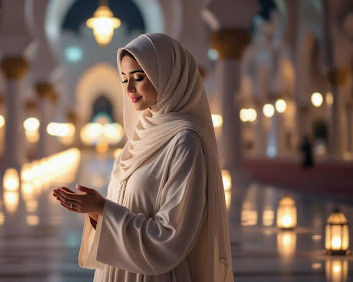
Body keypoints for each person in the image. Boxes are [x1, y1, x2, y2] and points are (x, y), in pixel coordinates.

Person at [52, 33, 233, 282]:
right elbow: (128, 206)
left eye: (139, 77)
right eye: (124, 79)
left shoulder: (185, 141)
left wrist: (103, 208)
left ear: (168, 75)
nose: (128, 88)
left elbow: (171, 237)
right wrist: (97, 214)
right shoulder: (142, 135)